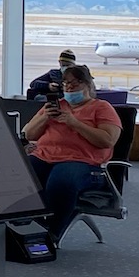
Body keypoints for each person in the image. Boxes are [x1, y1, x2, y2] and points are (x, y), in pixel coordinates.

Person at [20, 62, 121, 240]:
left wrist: (74, 123)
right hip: (45, 155)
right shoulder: (56, 105)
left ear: (88, 85)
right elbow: (28, 134)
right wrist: (45, 118)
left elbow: (107, 140)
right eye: (66, 83)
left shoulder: (101, 107)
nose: (70, 87)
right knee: (21, 175)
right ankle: (28, 223)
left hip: (83, 161)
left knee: (61, 181)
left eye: (75, 83)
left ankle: (53, 230)